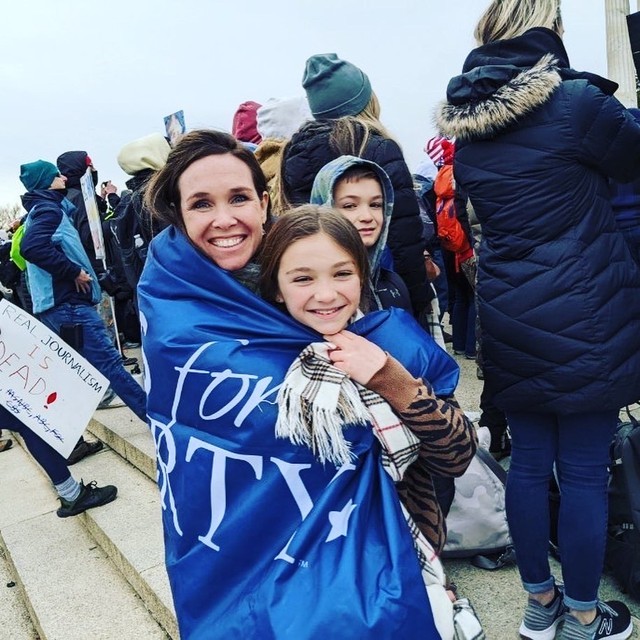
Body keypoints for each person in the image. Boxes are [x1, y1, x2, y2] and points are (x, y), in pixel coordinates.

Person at [138, 129, 469, 639]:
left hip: (376, 560)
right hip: (238, 559)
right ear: (178, 214)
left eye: (239, 198)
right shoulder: (173, 311)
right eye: (201, 203)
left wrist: (388, 377)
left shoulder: (362, 318)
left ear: (263, 201)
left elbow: (451, 456)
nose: (224, 218)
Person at [436, 1, 640, 639]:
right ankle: (582, 615)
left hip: (508, 310)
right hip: (585, 309)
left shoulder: (469, 127)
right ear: (547, 29)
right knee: (582, 471)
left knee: (528, 463)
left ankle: (538, 606)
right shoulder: (576, 103)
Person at [259, 203, 476, 551]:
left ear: (362, 275)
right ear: (275, 287)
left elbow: (458, 455)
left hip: (396, 551)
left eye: (342, 274)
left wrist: (391, 380)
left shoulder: (396, 340)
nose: (326, 294)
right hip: (297, 556)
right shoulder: (254, 360)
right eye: (303, 278)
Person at [281, 53, 430, 320]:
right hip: (379, 291)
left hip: (322, 297)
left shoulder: (294, 153)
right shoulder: (378, 148)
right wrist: (417, 299)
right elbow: (403, 234)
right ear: (365, 101)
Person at [18, 160, 147, 425]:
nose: (64, 178)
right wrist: (73, 272)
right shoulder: (48, 210)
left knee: (76, 371)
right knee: (110, 365)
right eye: (56, 176)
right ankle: (157, 421)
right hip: (69, 305)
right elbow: (32, 248)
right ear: (46, 182)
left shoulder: (43, 210)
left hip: (59, 306)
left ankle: (63, 432)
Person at [310, 155, 412, 312]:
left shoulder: (393, 284)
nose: (367, 217)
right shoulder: (310, 294)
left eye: (375, 204)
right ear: (325, 208)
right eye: (350, 206)